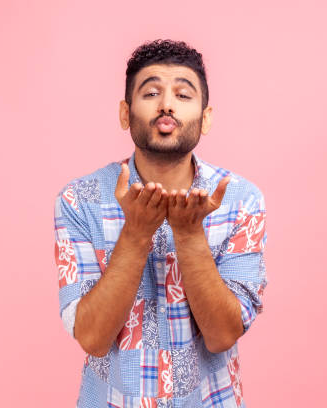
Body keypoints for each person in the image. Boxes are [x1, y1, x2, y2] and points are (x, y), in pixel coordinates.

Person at [54, 39, 268, 407]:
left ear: (206, 117)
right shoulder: (79, 200)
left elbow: (222, 336)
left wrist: (189, 234)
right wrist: (136, 234)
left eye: (183, 95)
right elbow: (92, 337)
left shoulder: (240, 199)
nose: (166, 104)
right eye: (151, 92)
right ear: (125, 113)